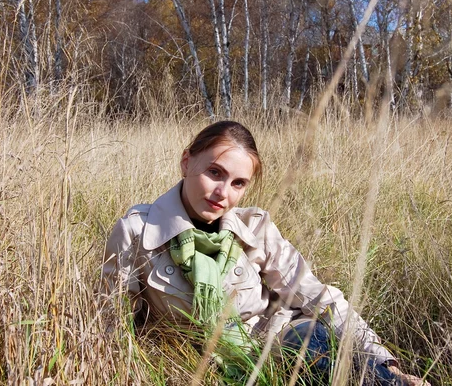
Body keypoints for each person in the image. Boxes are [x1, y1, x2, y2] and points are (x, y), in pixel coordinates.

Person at [102, 121, 429, 385]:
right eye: (215, 173)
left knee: (324, 345)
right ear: (187, 162)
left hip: (278, 345)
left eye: (238, 183)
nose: (223, 193)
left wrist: (386, 363)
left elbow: (319, 297)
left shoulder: (254, 228)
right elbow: (114, 325)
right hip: (202, 366)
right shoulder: (137, 232)